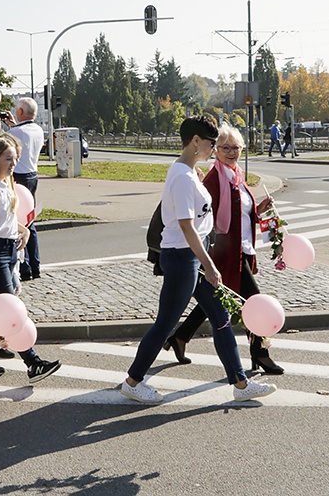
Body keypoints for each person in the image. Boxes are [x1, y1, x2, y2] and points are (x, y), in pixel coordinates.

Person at [121, 115, 276, 404]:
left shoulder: (190, 172)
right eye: (211, 143)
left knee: (220, 318)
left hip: (191, 257)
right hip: (182, 259)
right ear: (195, 141)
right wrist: (209, 264)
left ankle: (241, 383)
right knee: (166, 323)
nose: (213, 149)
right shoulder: (181, 176)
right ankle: (133, 381)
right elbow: (186, 225)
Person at [167, 124, 284, 374]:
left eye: (236, 148)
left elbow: (239, 213)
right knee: (254, 302)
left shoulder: (237, 176)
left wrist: (258, 209)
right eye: (225, 148)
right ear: (216, 150)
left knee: (216, 302)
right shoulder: (214, 179)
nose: (231, 152)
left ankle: (180, 337)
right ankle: (260, 354)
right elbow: (203, 218)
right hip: (224, 253)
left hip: (241, 249)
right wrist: (208, 260)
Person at [0, 134, 61, 383]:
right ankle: (33, 363)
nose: (13, 163)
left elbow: (7, 222)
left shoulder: (7, 186)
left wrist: (25, 231)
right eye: (8, 158)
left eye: (15, 158)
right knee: (10, 312)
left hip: (9, 252)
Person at [0, 98, 43, 281]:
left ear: (21, 112)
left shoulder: (15, 132)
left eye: (17, 110)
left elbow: (1, 145)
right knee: (30, 221)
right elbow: (23, 133)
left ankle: (25, 267)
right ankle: (36, 265)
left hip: (19, 178)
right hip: (33, 175)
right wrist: (13, 125)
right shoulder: (37, 130)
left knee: (17, 223)